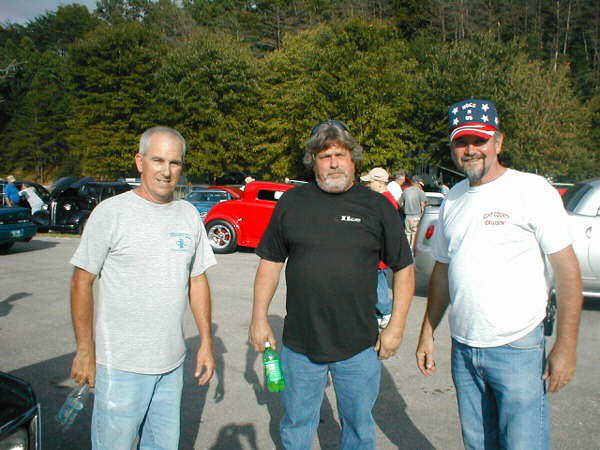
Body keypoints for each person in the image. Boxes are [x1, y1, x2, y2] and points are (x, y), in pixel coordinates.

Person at [416, 99, 583, 450]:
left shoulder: (532, 190)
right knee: (478, 444)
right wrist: (427, 332)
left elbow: (567, 272)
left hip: (517, 347)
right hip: (464, 348)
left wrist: (565, 346)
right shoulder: (454, 199)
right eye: (462, 142)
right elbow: (443, 272)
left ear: (498, 142)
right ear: (452, 148)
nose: (471, 149)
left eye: (480, 140)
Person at [249, 120, 415, 449]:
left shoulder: (377, 206)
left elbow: (404, 269)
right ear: (313, 161)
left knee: (358, 428)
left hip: (359, 346)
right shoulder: (292, 204)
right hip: (300, 345)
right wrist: (258, 318)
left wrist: (396, 327)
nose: (334, 162)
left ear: (354, 159)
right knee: (297, 425)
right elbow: (269, 263)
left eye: (340, 154)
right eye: (325, 156)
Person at [69, 126, 217, 449]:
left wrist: (206, 341)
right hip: (120, 367)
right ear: (140, 162)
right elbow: (82, 281)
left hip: (171, 367)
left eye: (175, 163)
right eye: (158, 160)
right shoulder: (111, 214)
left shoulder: (188, 215)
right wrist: (85, 350)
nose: (166, 171)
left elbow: (198, 279)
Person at [360, 167, 399, 328]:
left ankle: (386, 311)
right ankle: (379, 313)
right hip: (376, 251)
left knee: (378, 285)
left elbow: (386, 230)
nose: (368, 185)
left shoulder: (386, 201)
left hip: (378, 253)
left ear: (380, 183)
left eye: (370, 182)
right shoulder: (382, 199)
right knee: (374, 284)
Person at [400, 175, 427, 251]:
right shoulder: (420, 191)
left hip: (407, 217)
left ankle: (406, 250)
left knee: (408, 233)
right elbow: (423, 204)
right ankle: (412, 252)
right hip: (417, 216)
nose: (420, 185)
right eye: (419, 183)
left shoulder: (405, 191)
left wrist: (404, 209)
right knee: (414, 234)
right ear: (417, 182)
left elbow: (400, 203)